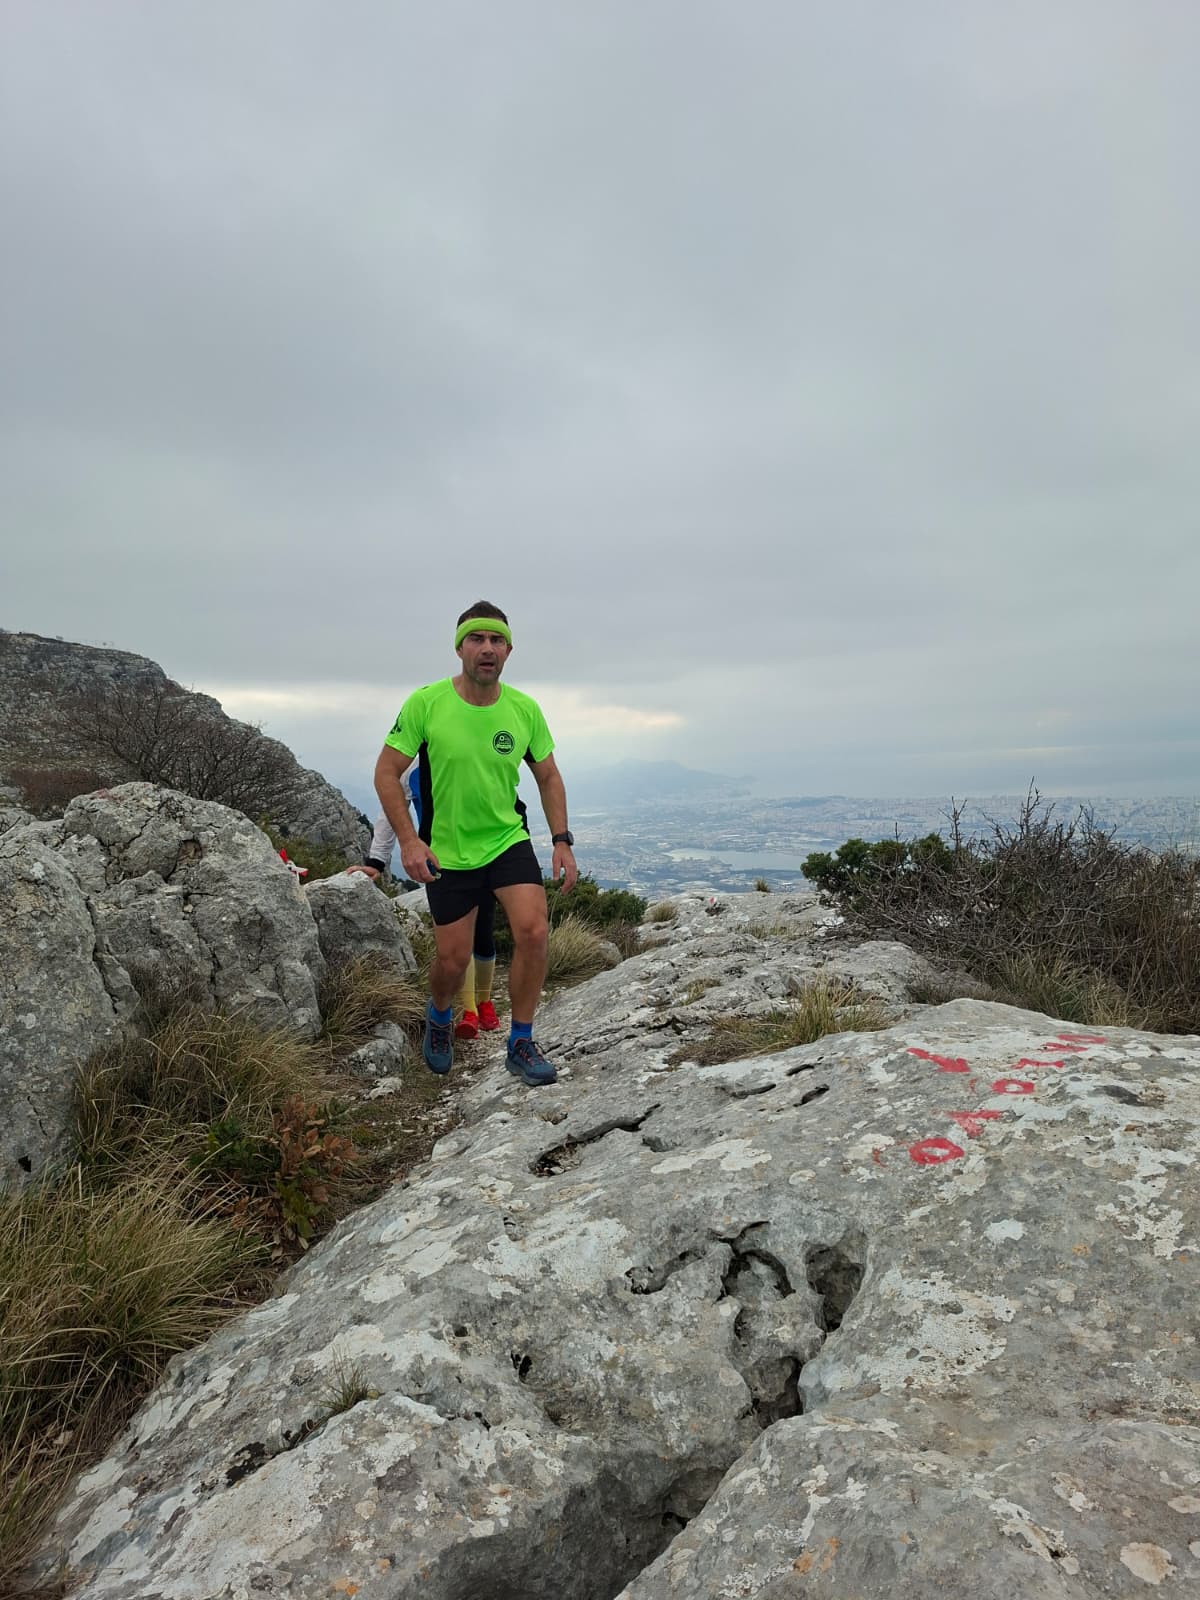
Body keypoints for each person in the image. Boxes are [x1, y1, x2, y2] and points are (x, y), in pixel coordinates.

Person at [374, 600, 577, 1086]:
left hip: (506, 839)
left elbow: (548, 776)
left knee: (534, 931)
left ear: (508, 651)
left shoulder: (524, 709)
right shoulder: (426, 703)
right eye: (477, 639)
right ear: (460, 648)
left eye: (496, 640)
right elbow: (386, 773)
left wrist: (561, 840)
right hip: (447, 850)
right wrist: (409, 842)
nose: (487, 649)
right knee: (453, 961)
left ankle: (521, 1041)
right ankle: (440, 1014)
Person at [355, 795, 503, 1039]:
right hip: (442, 858)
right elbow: (392, 807)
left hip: (485, 852)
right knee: (459, 943)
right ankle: (470, 1011)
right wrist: (376, 861)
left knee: (484, 932)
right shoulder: (409, 769)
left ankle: (485, 1002)